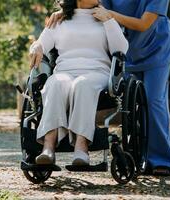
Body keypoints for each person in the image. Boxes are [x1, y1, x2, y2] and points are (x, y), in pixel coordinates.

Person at [47, 0, 170, 175]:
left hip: (157, 50)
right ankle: (141, 156)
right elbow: (89, 6)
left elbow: (144, 24)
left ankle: (162, 160)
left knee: (154, 101)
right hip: (128, 55)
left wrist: (111, 16)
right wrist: (64, 11)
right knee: (134, 107)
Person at [29, 0, 128, 166]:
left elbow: (121, 49)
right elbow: (42, 44)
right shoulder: (59, 19)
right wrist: (36, 47)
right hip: (65, 71)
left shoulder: (104, 16)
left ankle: (81, 148)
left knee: (82, 84)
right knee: (55, 83)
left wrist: (109, 20)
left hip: (97, 72)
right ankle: (48, 147)